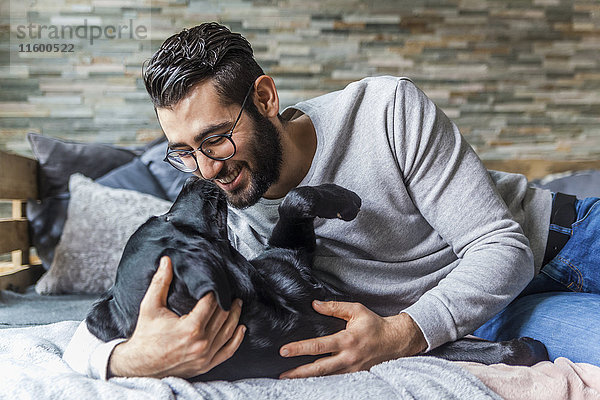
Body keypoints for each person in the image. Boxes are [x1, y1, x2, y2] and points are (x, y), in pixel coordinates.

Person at [62, 22, 600, 380]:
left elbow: (501, 246)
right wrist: (132, 358)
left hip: (565, 240)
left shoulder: (384, 109)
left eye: (215, 139)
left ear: (266, 99)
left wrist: (402, 333)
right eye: (183, 152)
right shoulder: (221, 215)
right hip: (482, 313)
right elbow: (83, 337)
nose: (207, 170)